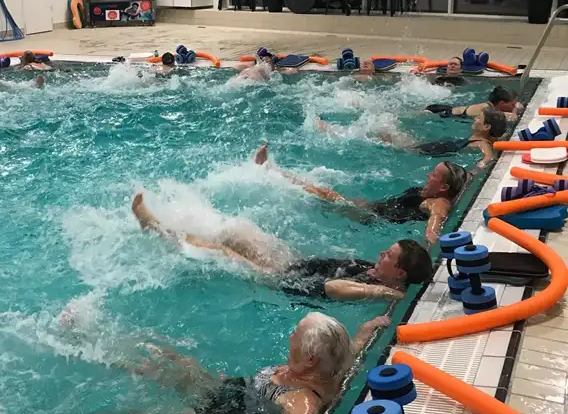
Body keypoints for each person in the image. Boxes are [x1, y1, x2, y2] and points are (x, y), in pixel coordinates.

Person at [110, 311, 390, 414]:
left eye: (296, 333)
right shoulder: (334, 363)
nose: (290, 336)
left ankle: (109, 371)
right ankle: (112, 354)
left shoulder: (302, 402)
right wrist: (368, 327)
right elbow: (353, 349)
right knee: (177, 361)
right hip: (235, 392)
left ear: (310, 358)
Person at [132, 193, 432, 299]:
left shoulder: (377, 289)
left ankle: (156, 228)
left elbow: (332, 288)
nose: (381, 253)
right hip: (294, 264)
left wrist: (384, 292)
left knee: (221, 252)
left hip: (279, 280)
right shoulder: (378, 273)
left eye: (389, 255)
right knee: (238, 232)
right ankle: (175, 227)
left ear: (400, 273)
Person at [254, 144, 468, 244]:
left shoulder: (437, 201)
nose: (429, 175)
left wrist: (432, 234)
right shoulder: (432, 193)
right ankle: (275, 173)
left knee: (322, 194)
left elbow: (437, 215)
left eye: (434, 175)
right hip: (374, 207)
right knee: (321, 196)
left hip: (372, 217)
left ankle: (273, 172)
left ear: (443, 187)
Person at [316, 107, 507, 168]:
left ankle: (332, 131)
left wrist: (481, 166)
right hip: (424, 147)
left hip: (418, 151)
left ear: (486, 127)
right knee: (382, 129)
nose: (475, 119)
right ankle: (334, 130)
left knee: (378, 134)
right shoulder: (480, 139)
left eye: (479, 118)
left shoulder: (481, 143)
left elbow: (488, 155)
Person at [426, 85, 523, 121]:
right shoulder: (487, 109)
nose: (514, 106)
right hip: (440, 113)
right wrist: (515, 109)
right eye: (512, 104)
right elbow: (513, 118)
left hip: (449, 110)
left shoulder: (490, 106)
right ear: (502, 103)